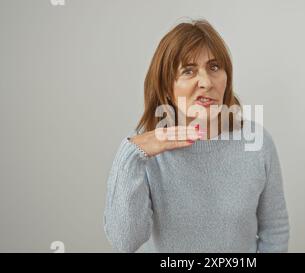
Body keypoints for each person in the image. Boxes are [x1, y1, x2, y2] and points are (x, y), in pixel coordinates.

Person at [104, 19, 290, 252]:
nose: (206, 82)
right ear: (166, 88)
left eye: (214, 67)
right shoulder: (148, 152)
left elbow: (275, 229)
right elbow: (125, 242)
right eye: (188, 70)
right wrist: (131, 154)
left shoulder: (257, 142)